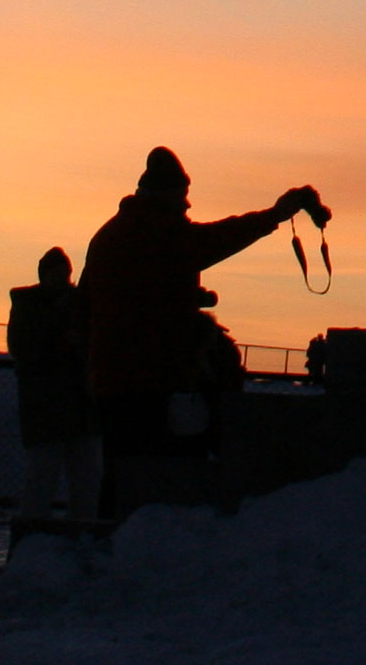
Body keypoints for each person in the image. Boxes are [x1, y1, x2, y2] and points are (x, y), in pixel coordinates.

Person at [83, 150, 323, 478]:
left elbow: (97, 298)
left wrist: (183, 295)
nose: (187, 207)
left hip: (110, 379)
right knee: (160, 475)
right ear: (169, 195)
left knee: (119, 475)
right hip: (152, 380)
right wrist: (274, 216)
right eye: (182, 198)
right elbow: (211, 241)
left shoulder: (109, 235)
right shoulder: (160, 231)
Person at [9, 247, 99, 524]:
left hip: (72, 405)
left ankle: (76, 529)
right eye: (56, 273)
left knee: (83, 477)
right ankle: (40, 530)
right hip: (48, 405)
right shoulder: (35, 306)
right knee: (45, 475)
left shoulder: (77, 305)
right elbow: (21, 347)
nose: (61, 279)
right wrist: (61, 341)